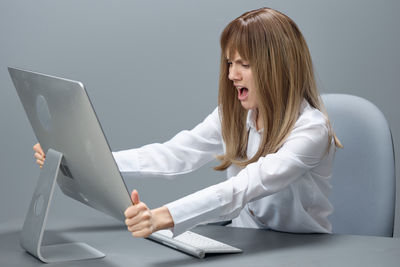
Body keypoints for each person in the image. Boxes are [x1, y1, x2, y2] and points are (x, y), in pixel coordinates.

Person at [33, 7, 342, 238]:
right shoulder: (232, 114)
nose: (232, 75)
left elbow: (244, 187)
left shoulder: (311, 130)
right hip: (246, 242)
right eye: (230, 63)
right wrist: (78, 160)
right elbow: (174, 155)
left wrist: (161, 218)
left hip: (302, 250)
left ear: (278, 68)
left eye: (244, 64)